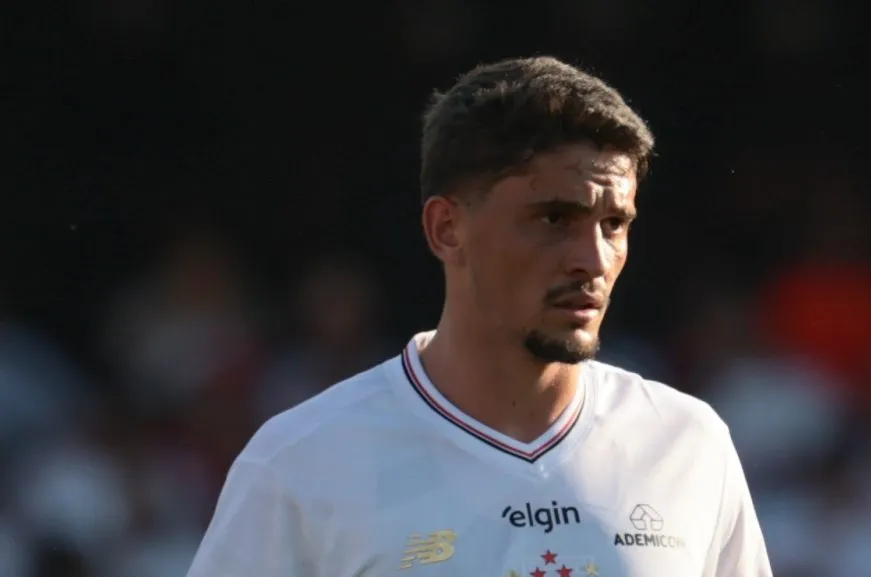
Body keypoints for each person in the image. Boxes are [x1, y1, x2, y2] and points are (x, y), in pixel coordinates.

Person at [185, 56, 773, 577]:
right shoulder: (300, 462)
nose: (593, 260)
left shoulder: (688, 444)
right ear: (447, 228)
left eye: (614, 225)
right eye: (554, 219)